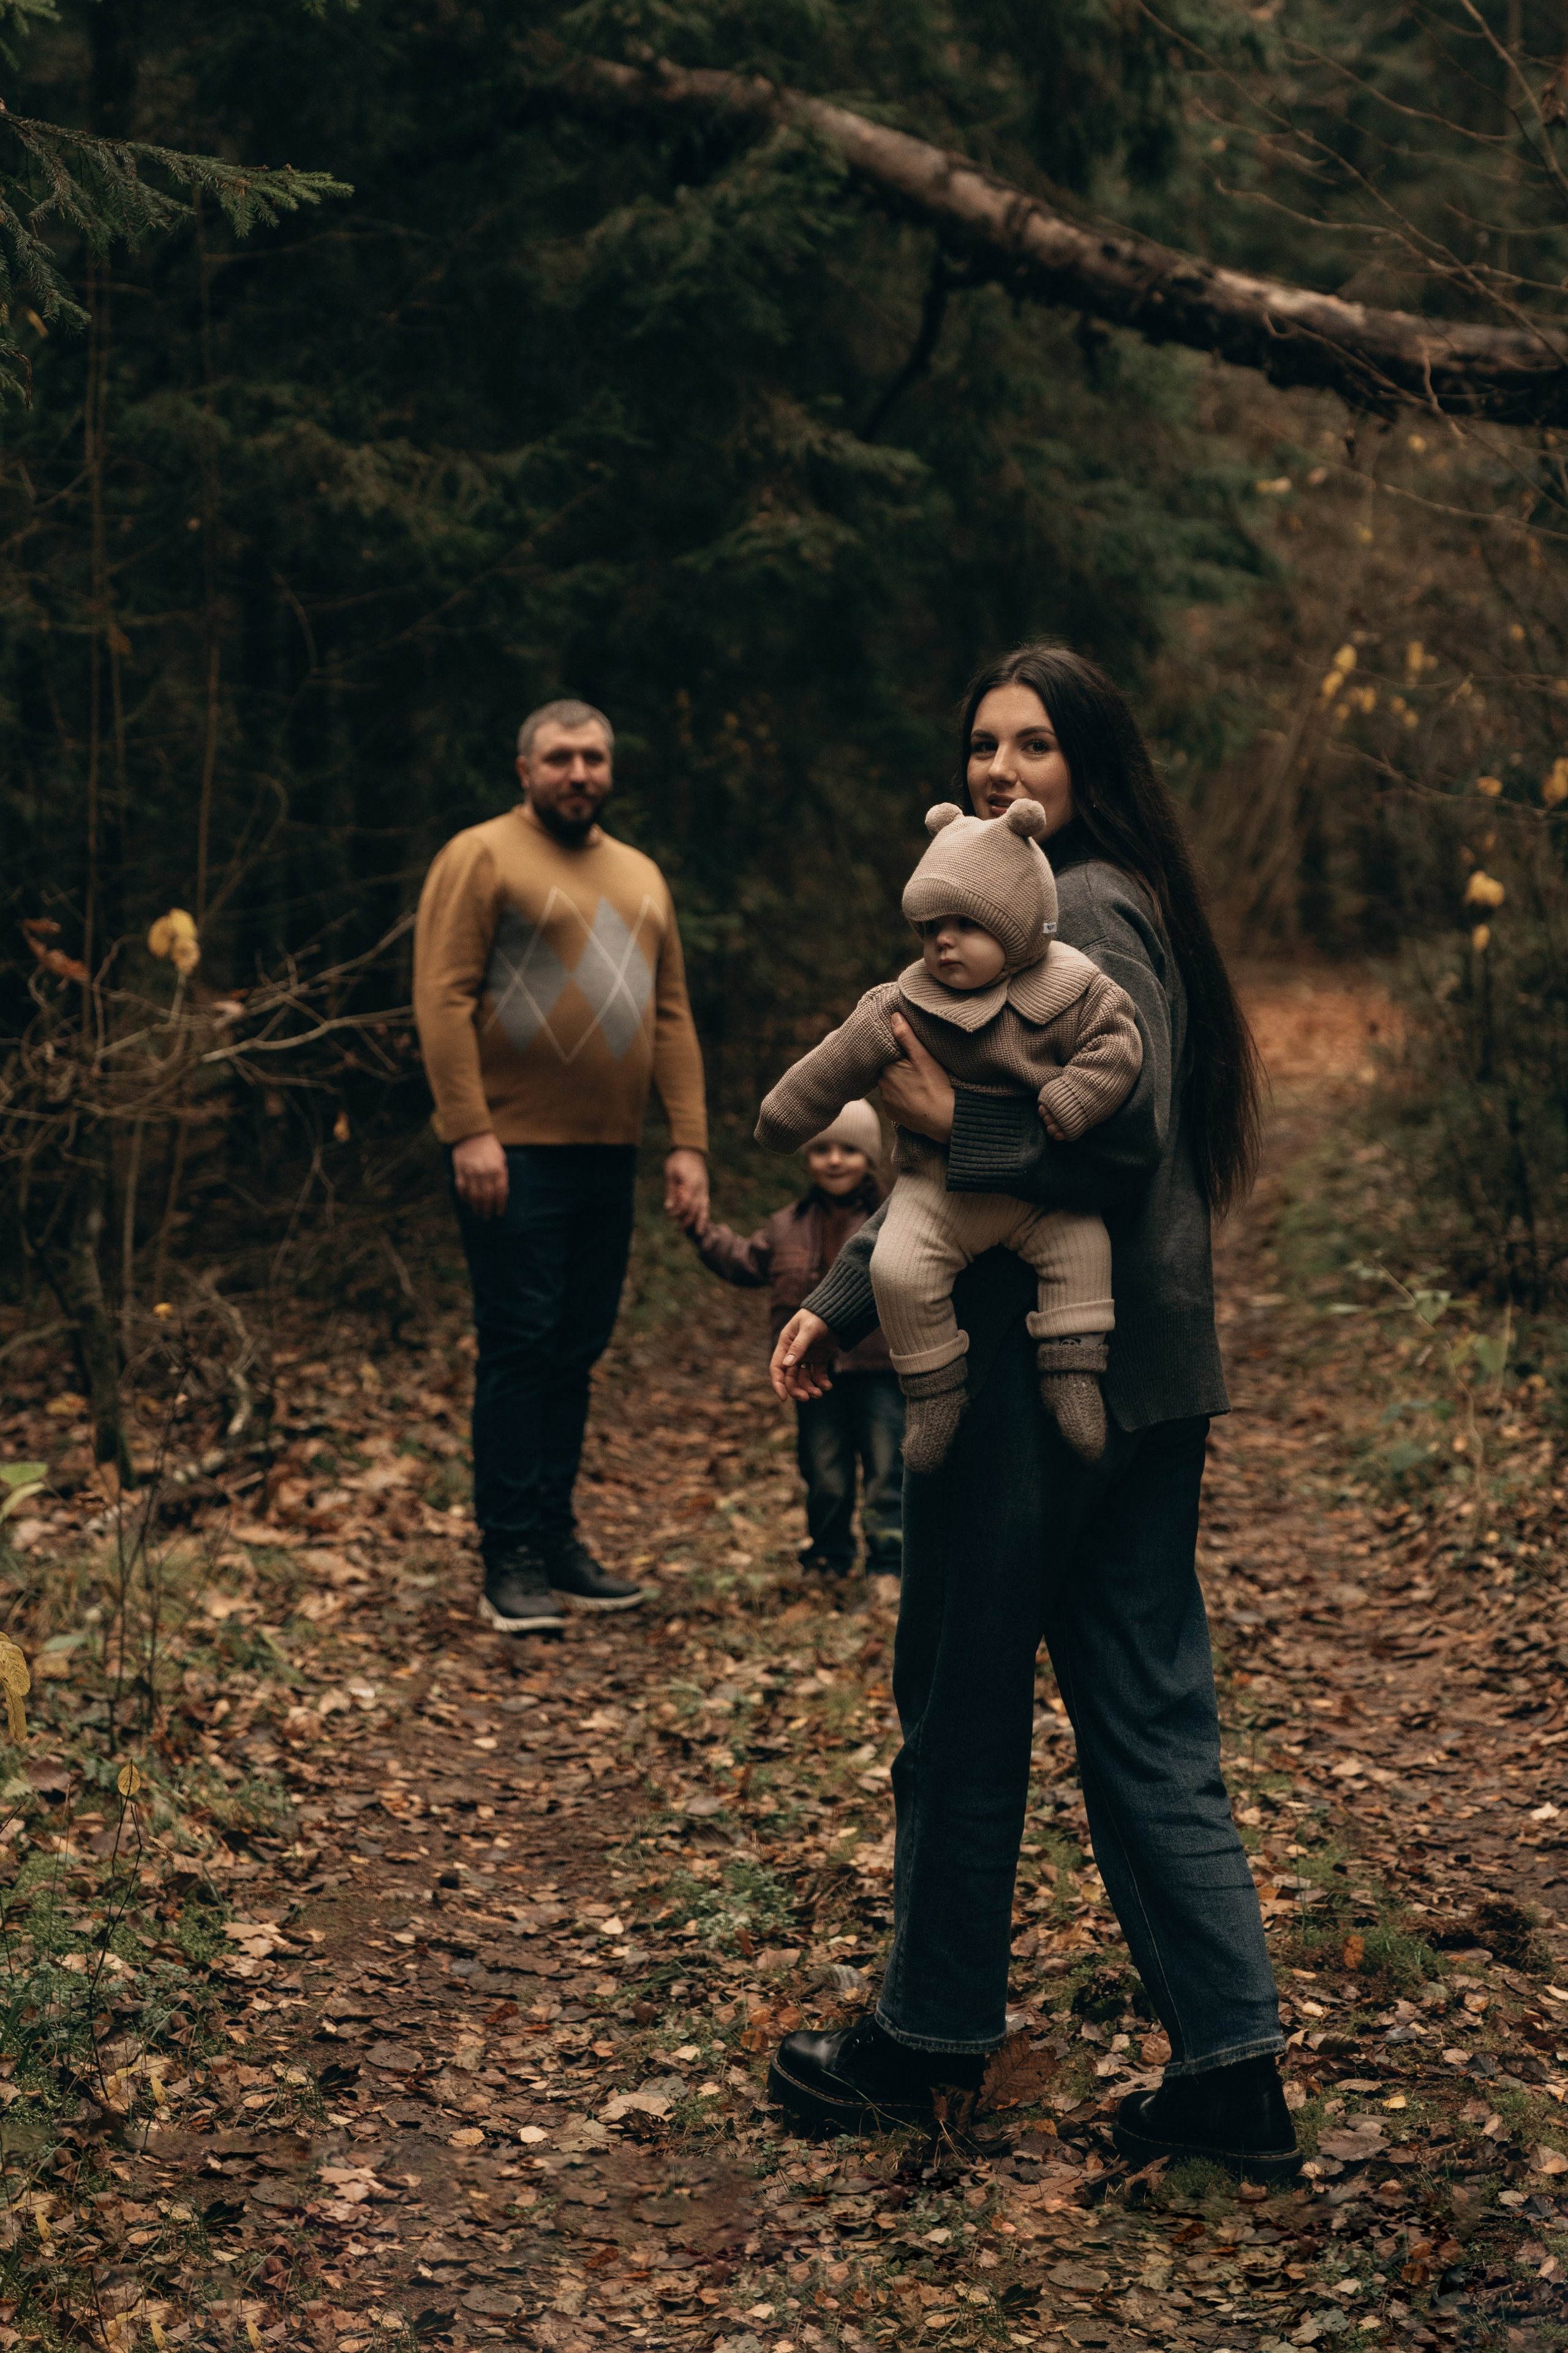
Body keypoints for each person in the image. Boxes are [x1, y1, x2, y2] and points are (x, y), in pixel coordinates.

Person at [762, 644, 1298, 2185]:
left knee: (958, 1690)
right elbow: (938, 1186)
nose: (1005, 772)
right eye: (983, 745)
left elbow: (1103, 1143)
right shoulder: (1031, 911)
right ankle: (1228, 2071)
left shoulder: (1088, 909)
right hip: (1141, 1376)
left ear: (1092, 764)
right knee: (1140, 1706)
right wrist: (844, 1294)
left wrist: (950, 1114)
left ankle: (926, 2041)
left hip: (1040, 1380)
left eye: (1037, 746)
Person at [413, 698, 709, 1635]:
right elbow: (443, 994)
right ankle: (510, 1555)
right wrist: (468, 1128)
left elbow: (669, 1017)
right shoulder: (482, 855)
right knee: (520, 1344)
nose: (578, 773)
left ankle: (556, 1536)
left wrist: (689, 1142)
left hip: (607, 1156)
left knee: (575, 1350)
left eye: (593, 758)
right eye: (559, 758)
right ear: (524, 769)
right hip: (509, 1154)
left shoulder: (641, 875)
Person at [756, 799, 1141, 1470]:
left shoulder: (1078, 989)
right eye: (931, 925)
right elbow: (832, 1064)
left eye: (966, 924)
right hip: (937, 1188)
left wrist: (1077, 1094)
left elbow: (1119, 1044)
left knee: (1083, 1250)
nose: (943, 941)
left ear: (1020, 925)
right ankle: (933, 1391)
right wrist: (781, 1122)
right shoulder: (902, 1005)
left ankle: (1073, 1374)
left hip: (1043, 1185)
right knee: (897, 1270)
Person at [684, 1100, 903, 1581]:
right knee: (824, 1470)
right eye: (822, 1148)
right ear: (807, 1157)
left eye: (849, 1149)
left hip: (880, 1370)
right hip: (812, 1374)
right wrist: (701, 1232)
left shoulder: (895, 1218)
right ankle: (829, 1554)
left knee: (889, 1468)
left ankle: (890, 1560)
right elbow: (745, 1260)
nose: (835, 1159)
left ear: (870, 1156)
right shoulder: (787, 1223)